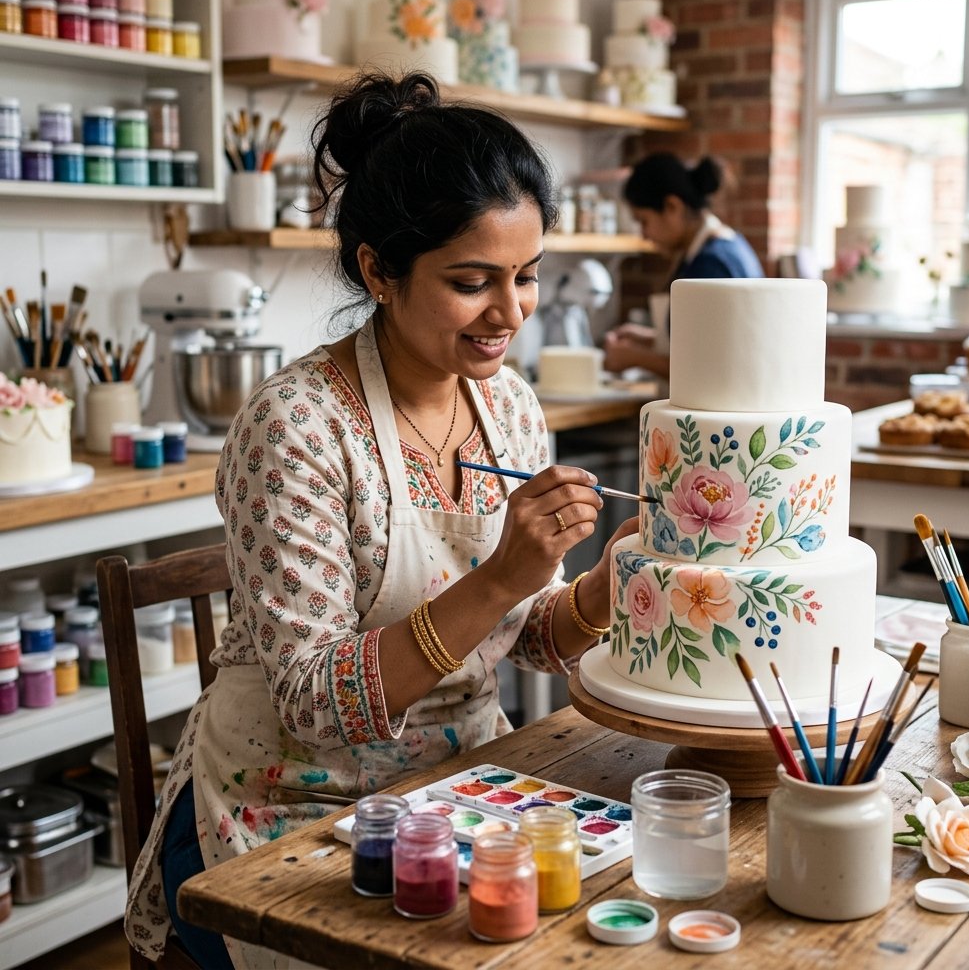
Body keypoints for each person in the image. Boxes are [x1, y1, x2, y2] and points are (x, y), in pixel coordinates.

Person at [124, 71, 638, 970]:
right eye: (473, 282)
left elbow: (527, 636)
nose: (511, 314)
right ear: (378, 270)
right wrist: (501, 578)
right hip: (285, 812)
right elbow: (315, 703)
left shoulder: (508, 406)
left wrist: (607, 585)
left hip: (457, 794)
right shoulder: (295, 426)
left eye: (526, 278)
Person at [603, 152, 765, 380]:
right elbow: (703, 339)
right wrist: (649, 338)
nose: (644, 234)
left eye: (643, 221)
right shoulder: (720, 246)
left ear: (672, 207)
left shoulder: (711, 265)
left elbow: (709, 368)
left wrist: (634, 358)